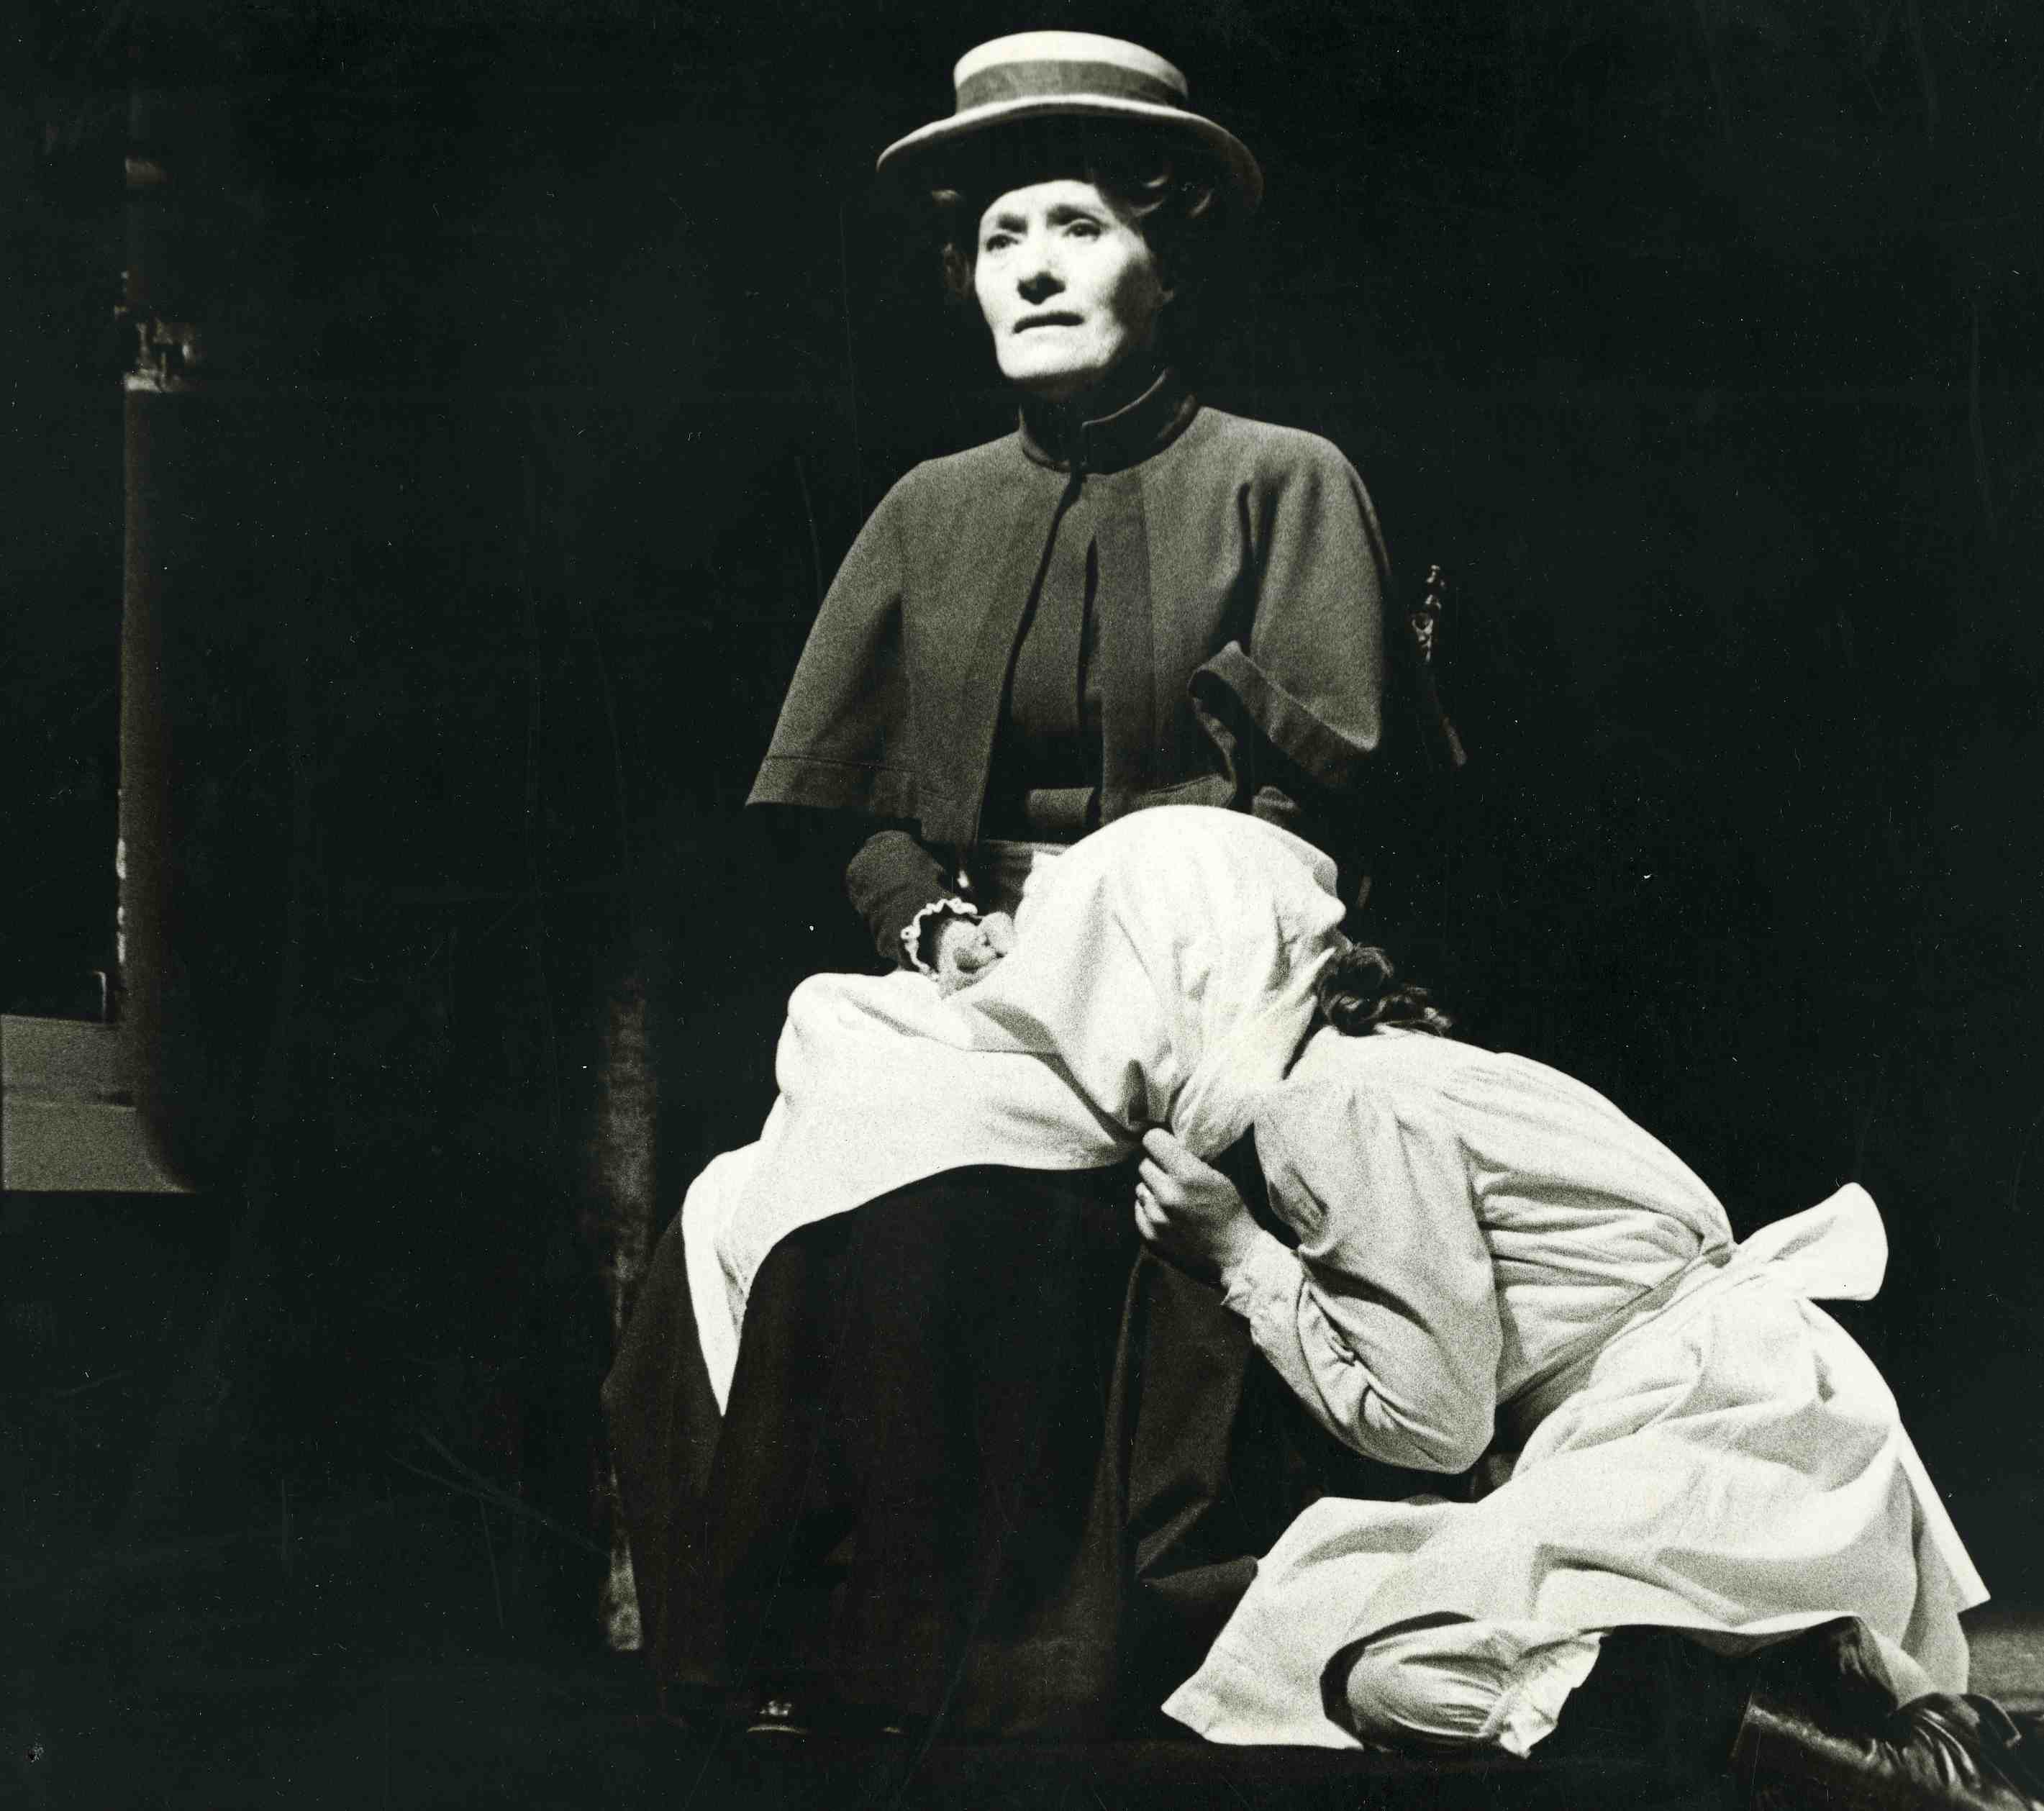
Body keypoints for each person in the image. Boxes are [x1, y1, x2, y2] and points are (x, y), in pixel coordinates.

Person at [604, 32, 1417, 1740]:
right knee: (746, 1202)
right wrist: (929, 917)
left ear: (1167, 259)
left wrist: (1121, 905)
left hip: (1207, 954)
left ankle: (970, 1654)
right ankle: (774, 1643)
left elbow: (1330, 797)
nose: (1032, 267)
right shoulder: (928, 509)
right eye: (997, 237)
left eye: (1076, 226)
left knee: (916, 1154)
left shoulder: (1282, 477)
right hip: (983, 966)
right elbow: (849, 804)